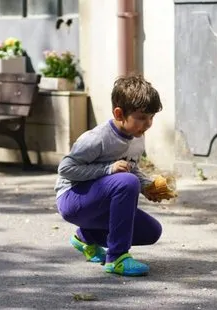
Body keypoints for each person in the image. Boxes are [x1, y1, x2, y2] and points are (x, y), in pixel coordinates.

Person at [54, 74, 164, 277]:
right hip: (72, 198)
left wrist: (147, 187)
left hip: (99, 200)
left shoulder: (136, 136)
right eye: (142, 118)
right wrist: (107, 169)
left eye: (151, 117)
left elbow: (131, 169)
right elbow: (65, 169)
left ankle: (86, 237)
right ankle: (117, 258)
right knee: (126, 182)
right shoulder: (98, 138)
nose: (148, 124)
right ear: (119, 113)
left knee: (152, 231)